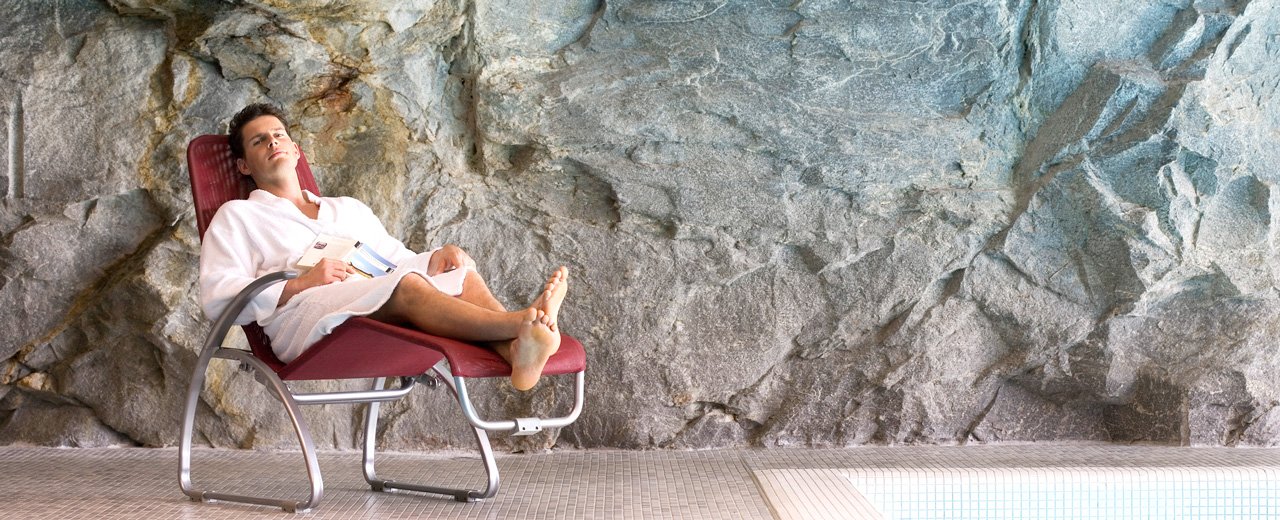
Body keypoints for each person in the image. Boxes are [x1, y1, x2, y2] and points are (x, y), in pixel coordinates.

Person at [199, 103, 567, 391]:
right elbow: (217, 297)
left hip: (372, 299)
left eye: (278, 135)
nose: (273, 142)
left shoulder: (348, 208)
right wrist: (301, 283)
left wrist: (436, 258)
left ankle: (519, 351)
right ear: (243, 165)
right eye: (259, 140)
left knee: (460, 275)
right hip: (306, 321)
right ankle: (521, 321)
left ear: (296, 151)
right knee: (406, 287)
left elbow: (397, 262)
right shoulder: (238, 216)